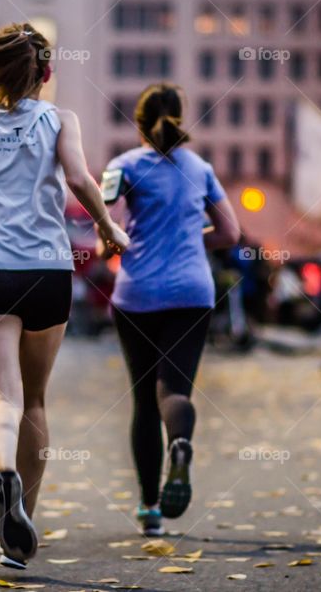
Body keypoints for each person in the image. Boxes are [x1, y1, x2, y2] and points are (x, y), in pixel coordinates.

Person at [0, 22, 129, 569]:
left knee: (4, 400)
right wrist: (109, 230)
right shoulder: (57, 119)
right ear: (45, 73)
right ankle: (20, 530)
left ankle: (3, 475)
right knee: (36, 401)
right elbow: (80, 179)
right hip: (44, 270)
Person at [100, 83, 240, 537]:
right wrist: (190, 239)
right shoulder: (199, 168)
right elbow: (230, 233)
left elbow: (101, 219)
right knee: (173, 390)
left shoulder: (124, 166)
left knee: (143, 401)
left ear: (138, 123)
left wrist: (119, 242)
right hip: (191, 293)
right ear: (181, 118)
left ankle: (149, 508)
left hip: (137, 294)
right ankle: (180, 441)